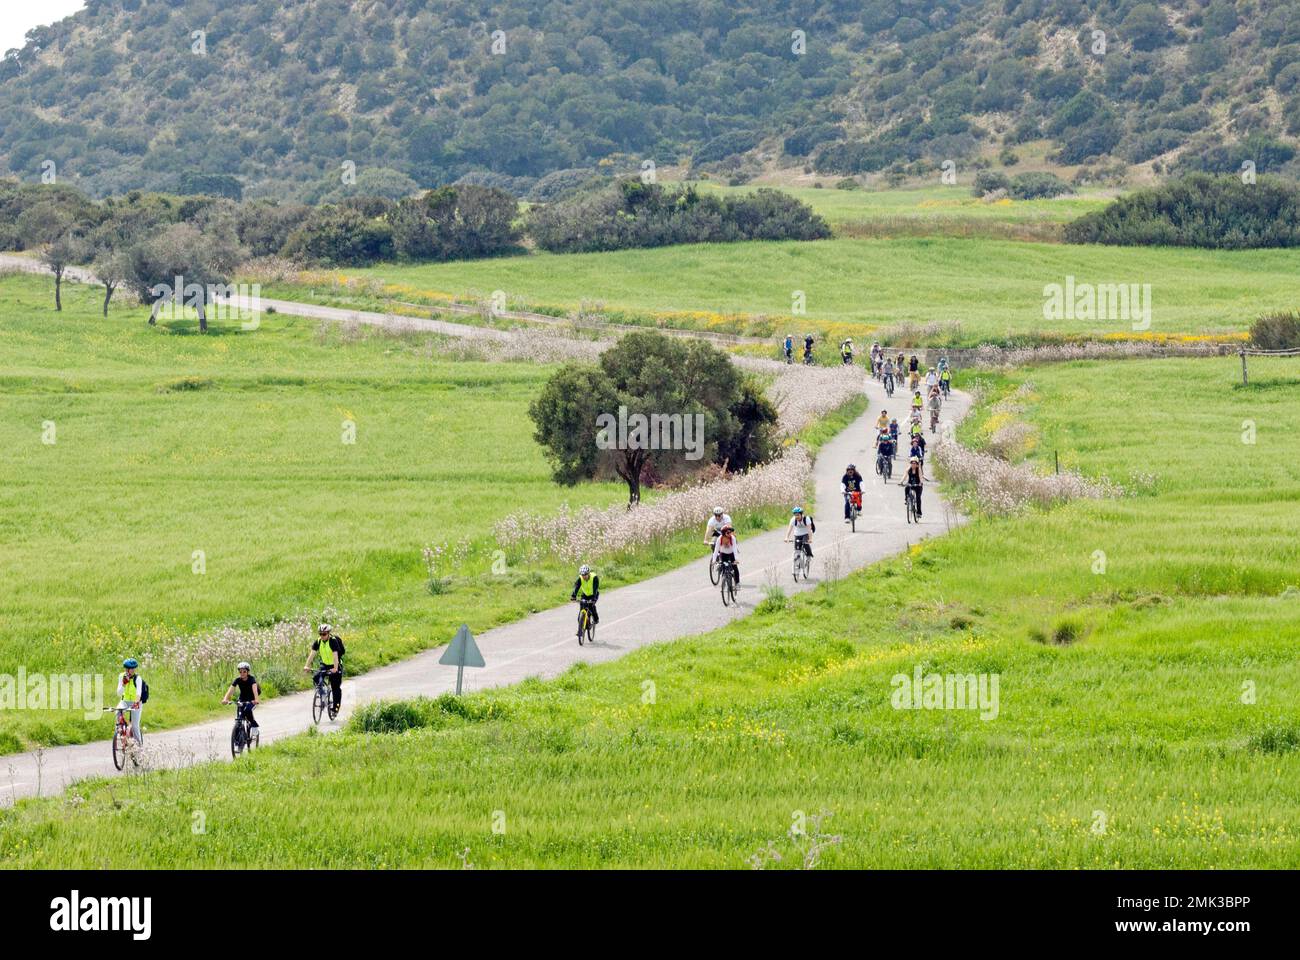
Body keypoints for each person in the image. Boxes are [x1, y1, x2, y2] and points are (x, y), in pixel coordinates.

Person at [303, 623, 344, 712]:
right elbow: (312, 655)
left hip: (335, 665)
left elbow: (335, 656)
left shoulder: (333, 641)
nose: (322, 636)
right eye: (320, 634)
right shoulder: (318, 641)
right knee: (316, 677)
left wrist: (335, 668)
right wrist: (307, 666)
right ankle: (323, 694)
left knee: (335, 687)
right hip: (325, 664)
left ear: (328, 633)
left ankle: (336, 708)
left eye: (324, 634)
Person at [222, 662, 261, 740]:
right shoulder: (238, 680)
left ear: (248, 672)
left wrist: (256, 699)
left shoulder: (251, 679)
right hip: (242, 699)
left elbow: (254, 689)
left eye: (244, 671)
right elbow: (231, 690)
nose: (242, 673)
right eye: (240, 672)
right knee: (239, 717)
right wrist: (225, 699)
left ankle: (254, 726)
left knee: (247, 710)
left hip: (252, 699)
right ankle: (238, 740)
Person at [115, 658, 145, 746]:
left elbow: (138, 693)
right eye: (130, 669)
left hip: (136, 702)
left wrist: (136, 703)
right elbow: (118, 693)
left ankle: (139, 748)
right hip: (124, 701)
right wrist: (124, 684)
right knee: (117, 711)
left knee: (135, 726)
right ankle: (120, 733)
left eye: (133, 669)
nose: (132, 670)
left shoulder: (138, 678)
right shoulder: (121, 676)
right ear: (126, 669)